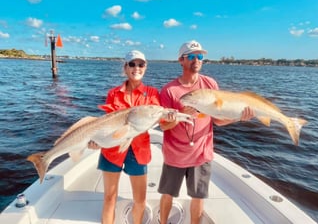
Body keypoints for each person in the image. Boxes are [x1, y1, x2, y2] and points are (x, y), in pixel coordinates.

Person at [158, 40, 255, 224]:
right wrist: (179, 116)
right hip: (174, 155)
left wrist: (238, 117)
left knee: (198, 198)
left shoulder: (210, 83)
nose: (197, 60)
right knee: (167, 195)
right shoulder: (169, 90)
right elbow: (163, 126)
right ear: (181, 60)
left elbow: (218, 119)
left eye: (200, 56)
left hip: (201, 153)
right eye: (192, 56)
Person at [89, 50, 160, 224]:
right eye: (132, 64)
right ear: (125, 68)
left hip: (139, 151)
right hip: (112, 148)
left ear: (146, 67)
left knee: (140, 200)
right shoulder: (113, 93)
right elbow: (106, 123)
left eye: (141, 64)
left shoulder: (151, 94)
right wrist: (96, 141)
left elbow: (158, 118)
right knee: (109, 197)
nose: (137, 68)